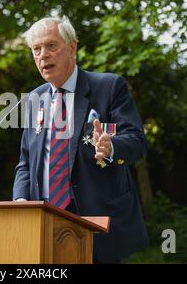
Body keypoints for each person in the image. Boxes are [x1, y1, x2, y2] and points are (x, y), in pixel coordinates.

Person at [13, 16, 148, 263]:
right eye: (36, 49)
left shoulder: (108, 87)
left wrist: (111, 147)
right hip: (42, 223)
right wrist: (21, 202)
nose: (43, 55)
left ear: (72, 47)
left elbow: (137, 142)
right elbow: (25, 162)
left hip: (97, 225)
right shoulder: (35, 98)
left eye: (51, 46)